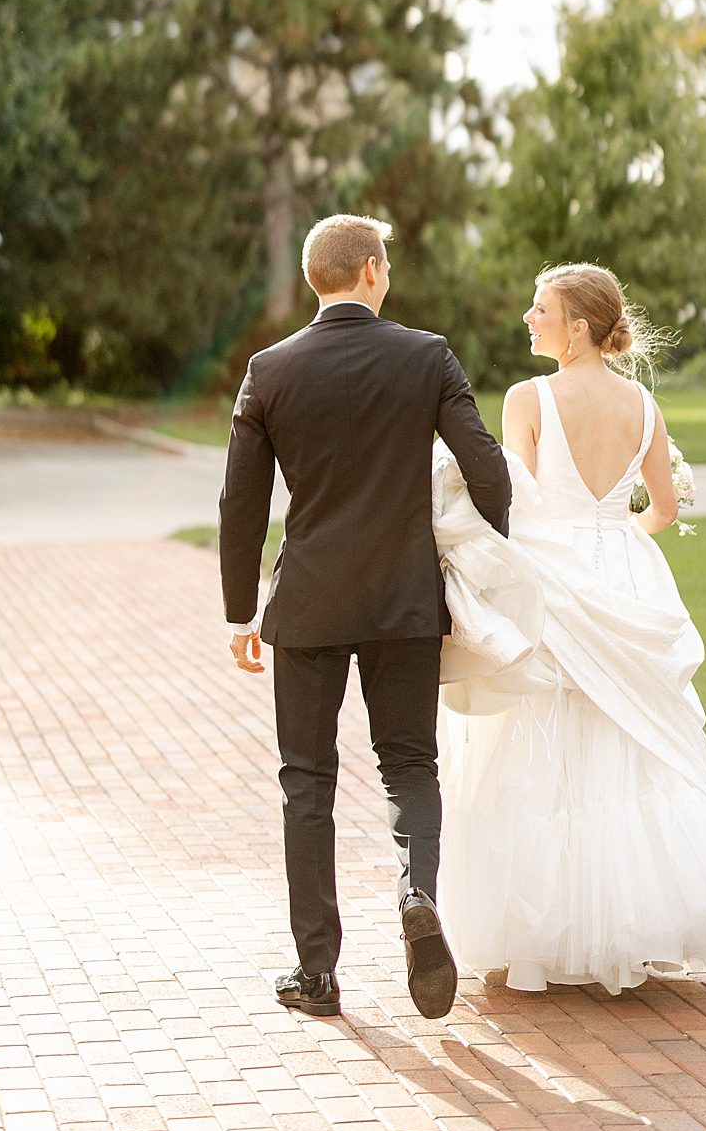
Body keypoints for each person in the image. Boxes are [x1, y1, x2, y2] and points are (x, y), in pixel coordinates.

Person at [438, 262, 706, 995]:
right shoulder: (644, 406)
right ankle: (633, 927)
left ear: (577, 327)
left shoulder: (528, 399)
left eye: (541, 309)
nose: (528, 318)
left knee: (543, 737)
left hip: (553, 577)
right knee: (630, 741)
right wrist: (616, 530)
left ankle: (542, 939)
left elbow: (517, 508)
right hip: (625, 578)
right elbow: (662, 510)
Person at [218, 213, 511, 1021]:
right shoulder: (427, 356)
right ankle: (417, 894)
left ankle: (316, 972)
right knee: (409, 765)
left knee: (305, 782)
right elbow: (485, 468)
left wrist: (240, 612)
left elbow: (240, 504)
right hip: (404, 599)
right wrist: (500, 561)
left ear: (320, 279)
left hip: (308, 603)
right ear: (373, 271)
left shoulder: (269, 369)